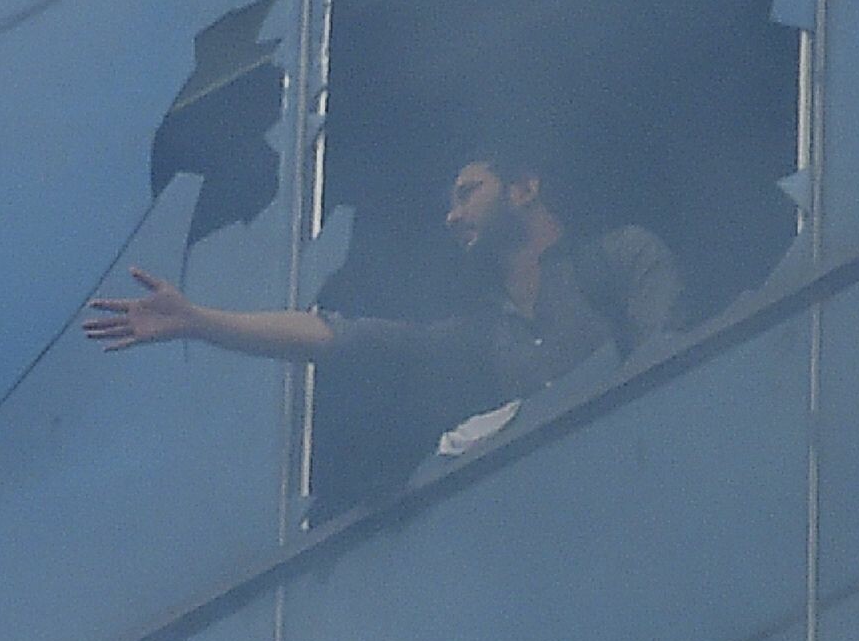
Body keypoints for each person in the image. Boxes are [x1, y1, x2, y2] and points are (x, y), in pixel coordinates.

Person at [82, 150, 682, 487]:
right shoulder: (485, 337)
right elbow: (343, 337)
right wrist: (200, 321)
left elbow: (673, 370)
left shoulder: (621, 256)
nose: (452, 216)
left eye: (468, 192)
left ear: (524, 188)